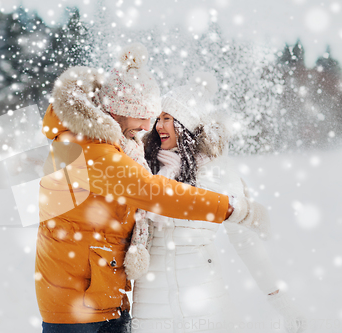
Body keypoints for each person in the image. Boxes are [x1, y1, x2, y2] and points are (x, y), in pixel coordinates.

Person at [35, 45, 246, 333]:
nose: (149, 125)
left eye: (155, 116)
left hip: (98, 300)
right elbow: (152, 192)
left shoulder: (108, 146)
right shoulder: (88, 149)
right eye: (143, 116)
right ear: (118, 111)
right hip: (80, 312)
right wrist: (229, 207)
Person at [128, 72, 307, 332]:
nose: (158, 125)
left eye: (167, 118)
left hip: (203, 300)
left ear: (185, 125)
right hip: (151, 306)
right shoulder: (143, 167)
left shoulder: (216, 172)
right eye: (157, 118)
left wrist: (279, 298)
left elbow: (245, 240)